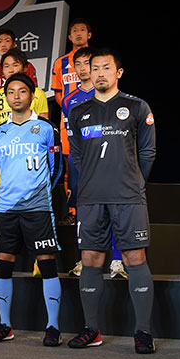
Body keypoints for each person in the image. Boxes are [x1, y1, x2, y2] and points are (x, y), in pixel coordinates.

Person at [67, 48, 157, 354]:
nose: (99, 73)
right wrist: (91, 183)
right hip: (91, 199)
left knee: (134, 258)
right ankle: (91, 330)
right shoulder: (78, 112)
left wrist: (133, 183)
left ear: (118, 73)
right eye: (95, 68)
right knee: (91, 260)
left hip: (127, 198)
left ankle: (143, 332)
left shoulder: (136, 106)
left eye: (106, 68)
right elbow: (77, 156)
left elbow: (147, 153)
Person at [0, 74, 64, 346]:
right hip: (6, 208)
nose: (16, 96)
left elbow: (56, 168)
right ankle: (4, 325)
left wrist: (37, 190)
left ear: (32, 96)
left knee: (47, 264)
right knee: (3, 264)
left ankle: (53, 326)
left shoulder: (47, 128)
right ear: (6, 97)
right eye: (11, 92)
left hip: (37, 207)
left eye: (22, 91)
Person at [0, 48, 50, 277]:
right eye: (6, 66)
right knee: (0, 191)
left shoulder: (38, 95)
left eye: (15, 65)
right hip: (6, 153)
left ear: (25, 67)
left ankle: (39, 261)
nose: (11, 69)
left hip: (33, 167)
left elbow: (51, 154)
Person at [59, 48, 125, 278]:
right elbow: (73, 136)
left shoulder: (109, 94)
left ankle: (117, 260)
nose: (82, 68)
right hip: (81, 164)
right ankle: (82, 261)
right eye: (78, 64)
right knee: (82, 212)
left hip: (109, 162)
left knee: (115, 209)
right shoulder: (68, 100)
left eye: (87, 63)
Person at [0, 29, 39, 107]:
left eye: (7, 41)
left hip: (23, 110)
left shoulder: (26, 66)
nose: (3, 45)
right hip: (0, 111)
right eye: (0, 42)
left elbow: (34, 92)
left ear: (14, 44)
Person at [51, 18, 92, 106]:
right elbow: (58, 91)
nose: (78, 33)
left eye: (82, 30)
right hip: (69, 112)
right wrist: (67, 108)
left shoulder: (97, 58)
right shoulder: (60, 62)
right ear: (69, 37)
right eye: (75, 30)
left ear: (89, 35)